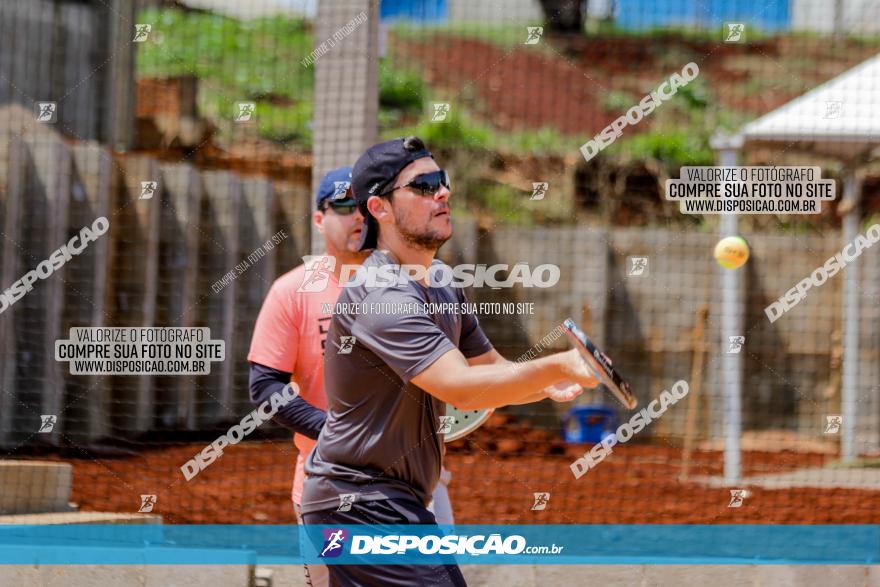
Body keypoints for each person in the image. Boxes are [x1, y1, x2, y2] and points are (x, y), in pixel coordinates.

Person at [301, 137, 600, 586]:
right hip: (359, 505)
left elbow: (488, 371)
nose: (442, 193)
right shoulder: (382, 294)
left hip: (392, 503)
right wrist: (559, 365)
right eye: (422, 185)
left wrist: (549, 384)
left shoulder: (441, 281)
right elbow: (461, 387)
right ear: (379, 207)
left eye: (442, 181)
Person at [246, 167, 457, 587]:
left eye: (363, 206)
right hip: (327, 481)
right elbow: (264, 386)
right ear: (319, 218)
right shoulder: (292, 292)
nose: (357, 216)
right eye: (343, 207)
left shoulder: (420, 283)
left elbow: (461, 368)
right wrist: (336, 432)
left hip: (414, 483)